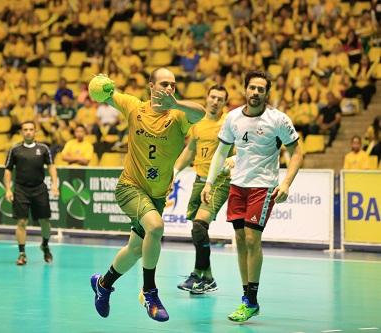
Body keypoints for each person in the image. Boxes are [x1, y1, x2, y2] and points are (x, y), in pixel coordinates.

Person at [90, 68, 205, 321]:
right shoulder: (134, 107)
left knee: (135, 249)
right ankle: (150, 292)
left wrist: (177, 104)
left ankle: (104, 284)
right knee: (155, 227)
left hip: (157, 195)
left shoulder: (178, 115)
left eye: (173, 85)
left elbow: (201, 112)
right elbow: (105, 94)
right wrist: (101, 86)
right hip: (130, 187)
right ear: (151, 86)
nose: (169, 89)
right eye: (164, 84)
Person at [201, 70, 303, 322]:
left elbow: (298, 152)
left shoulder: (278, 119)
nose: (256, 92)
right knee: (239, 238)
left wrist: (286, 183)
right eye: (252, 88)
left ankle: (251, 300)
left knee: (251, 237)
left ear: (267, 93)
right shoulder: (233, 118)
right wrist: (209, 182)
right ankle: (247, 296)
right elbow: (221, 152)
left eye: (261, 89)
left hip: (263, 186)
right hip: (238, 185)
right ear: (245, 90)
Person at [174, 85, 234, 294]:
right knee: (198, 231)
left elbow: (240, 150)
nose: (215, 101)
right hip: (198, 180)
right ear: (206, 98)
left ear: (225, 103)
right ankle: (208, 278)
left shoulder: (229, 122)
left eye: (220, 99)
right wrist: (175, 171)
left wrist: (233, 161)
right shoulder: (197, 122)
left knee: (199, 225)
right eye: (213, 97)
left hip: (219, 181)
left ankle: (196, 274)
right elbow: (190, 150)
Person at [4, 121, 59, 265]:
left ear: (35, 132)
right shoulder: (14, 150)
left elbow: (51, 166)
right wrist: (8, 189)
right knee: (21, 221)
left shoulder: (43, 148)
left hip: (39, 189)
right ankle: (22, 254)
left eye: (31, 129)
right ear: (21, 132)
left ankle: (45, 245)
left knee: (44, 221)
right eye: (25, 130)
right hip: (21, 189)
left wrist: (54, 185)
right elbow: (8, 170)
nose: (28, 132)